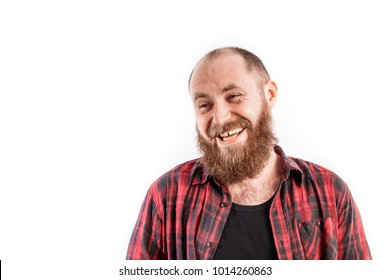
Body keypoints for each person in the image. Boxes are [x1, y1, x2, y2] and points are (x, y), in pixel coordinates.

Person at [126, 47, 371, 260]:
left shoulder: (330, 191)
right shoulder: (165, 196)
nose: (220, 117)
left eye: (234, 96)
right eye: (204, 105)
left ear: (270, 94)